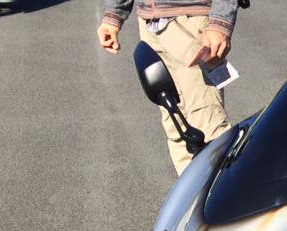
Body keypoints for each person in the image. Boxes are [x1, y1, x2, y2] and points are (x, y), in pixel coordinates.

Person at [96, 0, 239, 174]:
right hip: (150, 24)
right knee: (177, 126)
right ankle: (192, 190)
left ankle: (226, 189)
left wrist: (220, 23)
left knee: (206, 122)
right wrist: (113, 15)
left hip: (190, 20)